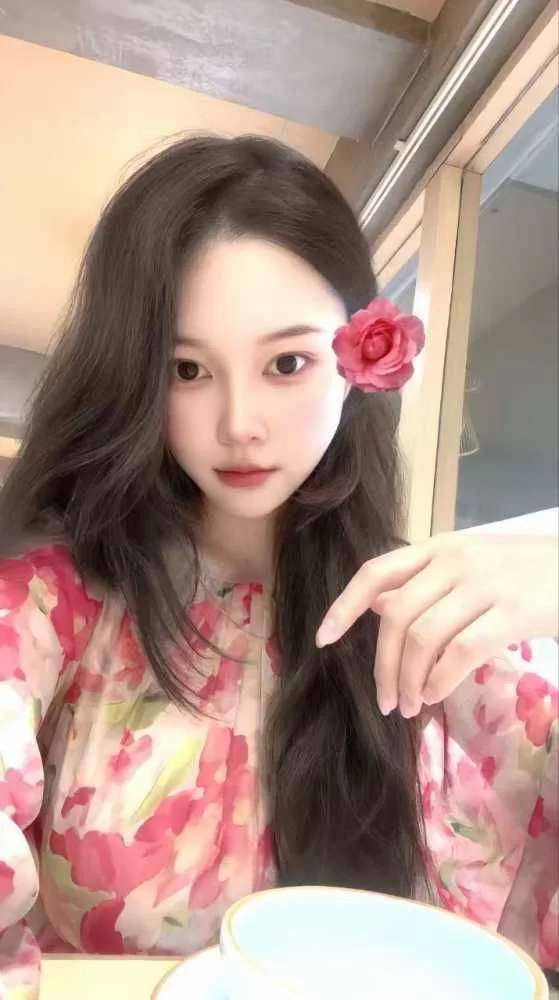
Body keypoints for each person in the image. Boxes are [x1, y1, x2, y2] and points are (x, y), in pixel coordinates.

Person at [0, 135, 557, 997]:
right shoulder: (57, 598)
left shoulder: (430, 623)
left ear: (362, 359)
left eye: (286, 363)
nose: (239, 424)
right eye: (187, 369)